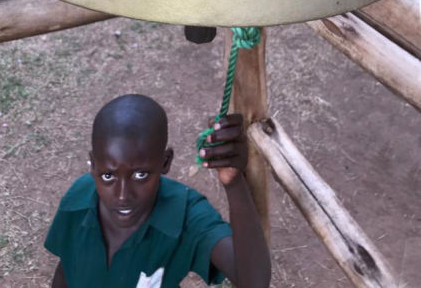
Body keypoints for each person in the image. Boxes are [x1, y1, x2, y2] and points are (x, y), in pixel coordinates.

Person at [45, 94, 271, 287]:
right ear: (93, 166)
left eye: (140, 175)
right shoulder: (79, 199)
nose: (123, 196)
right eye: (108, 176)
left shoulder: (185, 215)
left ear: (165, 162)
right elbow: (66, 269)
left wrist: (234, 183)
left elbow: (253, 282)